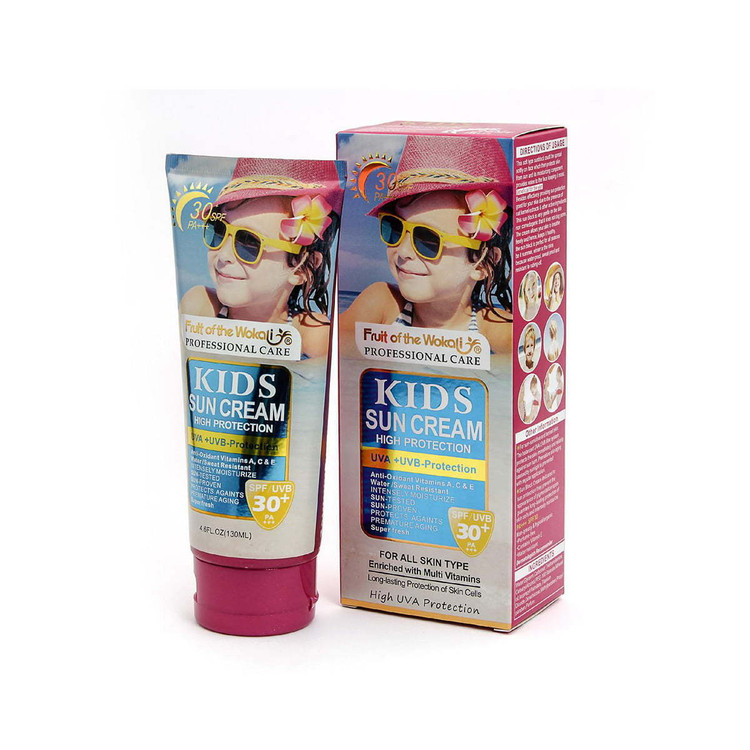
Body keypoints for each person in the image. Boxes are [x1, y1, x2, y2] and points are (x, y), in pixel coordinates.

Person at [340, 136, 513, 354]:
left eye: (427, 239)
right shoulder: (384, 304)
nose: (403, 251)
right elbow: (333, 353)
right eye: (395, 228)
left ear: (483, 263)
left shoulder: (493, 328)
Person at [180, 158, 342, 359]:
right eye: (219, 231)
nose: (224, 255)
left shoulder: (311, 333)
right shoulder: (203, 306)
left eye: (249, 242)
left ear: (303, 268)